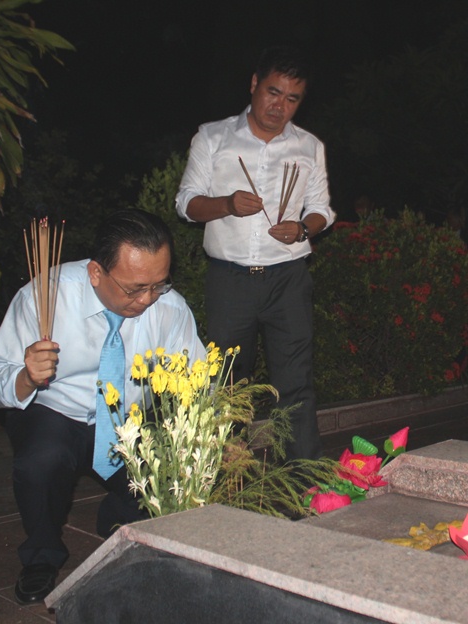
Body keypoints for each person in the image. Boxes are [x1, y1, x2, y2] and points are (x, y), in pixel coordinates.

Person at [0, 210, 206, 604]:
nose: (147, 299)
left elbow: (199, 379)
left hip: (128, 421)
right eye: (135, 288)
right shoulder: (46, 295)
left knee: (160, 492)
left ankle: (117, 518)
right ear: (95, 273)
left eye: (159, 283)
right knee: (41, 461)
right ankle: (41, 556)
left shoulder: (168, 308)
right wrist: (25, 377)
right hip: (56, 411)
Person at [176, 46, 335, 461]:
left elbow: (323, 210)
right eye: (272, 92)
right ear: (253, 84)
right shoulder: (212, 137)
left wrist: (302, 228)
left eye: (292, 98)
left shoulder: (309, 146)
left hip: (288, 277)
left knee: (295, 381)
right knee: (227, 381)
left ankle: (302, 478)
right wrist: (227, 203)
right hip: (230, 278)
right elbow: (187, 203)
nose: (279, 106)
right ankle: (220, 474)